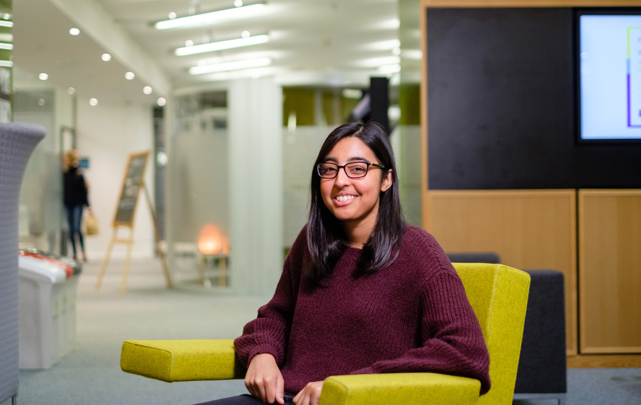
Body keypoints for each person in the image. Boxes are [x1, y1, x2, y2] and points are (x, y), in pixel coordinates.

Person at [197, 121, 490, 405]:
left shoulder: (418, 251)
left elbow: (464, 349)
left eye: (358, 168)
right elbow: (275, 316)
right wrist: (262, 353)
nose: (340, 181)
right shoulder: (312, 242)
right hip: (283, 398)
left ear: (386, 179)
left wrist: (353, 385)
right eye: (329, 169)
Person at [63, 150, 92, 261]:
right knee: (70, 230)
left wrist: (88, 205)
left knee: (77, 228)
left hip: (77, 205)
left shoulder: (78, 173)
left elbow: (84, 191)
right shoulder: (64, 174)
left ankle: (83, 252)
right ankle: (74, 253)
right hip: (67, 204)